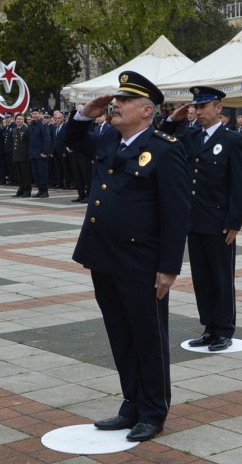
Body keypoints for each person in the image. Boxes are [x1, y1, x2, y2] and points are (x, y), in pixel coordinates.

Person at [66, 71, 190, 442]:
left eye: (125, 100)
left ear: (147, 110)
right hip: (103, 256)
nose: (116, 104)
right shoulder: (108, 140)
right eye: (116, 99)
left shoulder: (166, 149)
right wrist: (85, 114)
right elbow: (71, 141)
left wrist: (169, 267)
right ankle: (131, 405)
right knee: (120, 334)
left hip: (141, 261)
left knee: (148, 337)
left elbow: (177, 212)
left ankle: (153, 411)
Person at [160, 86, 242, 352]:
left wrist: (235, 221)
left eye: (203, 107)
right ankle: (209, 327)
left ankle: (224, 329)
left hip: (219, 221)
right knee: (201, 277)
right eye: (195, 107)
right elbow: (162, 139)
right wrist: (173, 118)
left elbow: (240, 184)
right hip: (194, 219)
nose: (197, 112)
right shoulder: (189, 136)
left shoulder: (232, 139)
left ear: (218, 108)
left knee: (221, 277)